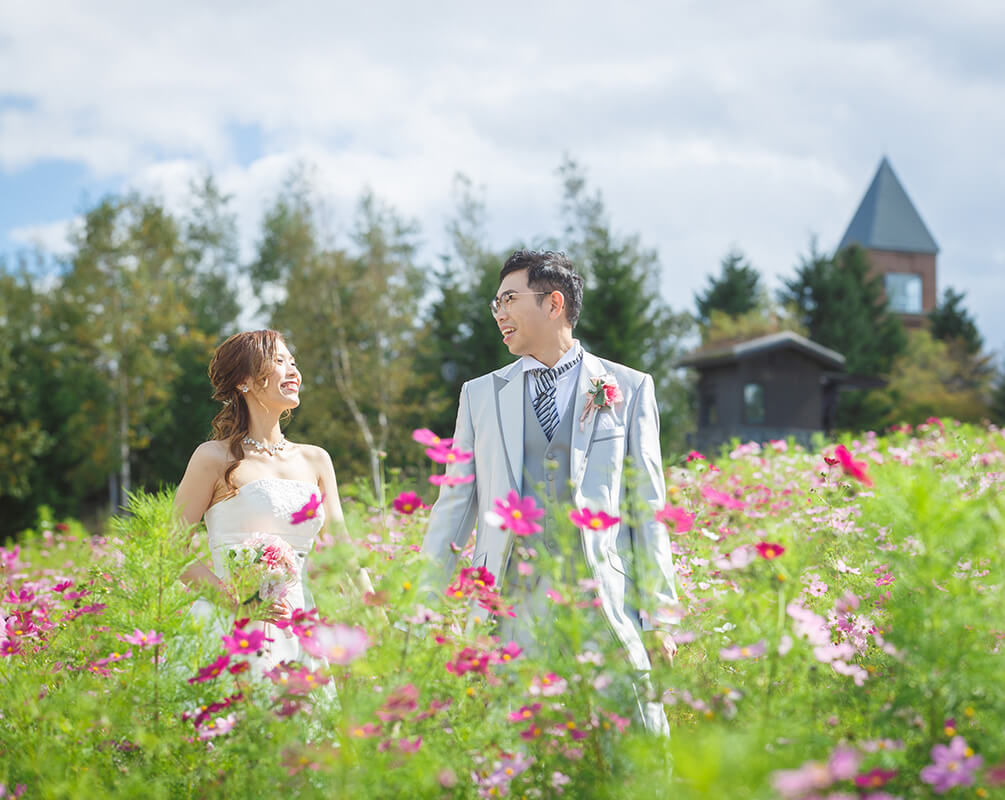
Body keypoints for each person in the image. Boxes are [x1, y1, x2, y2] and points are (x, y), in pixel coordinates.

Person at [421, 249, 679, 735]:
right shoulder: (479, 395)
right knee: (518, 750)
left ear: (553, 303)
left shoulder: (629, 387)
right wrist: (420, 608)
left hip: (604, 599)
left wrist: (660, 616)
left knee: (635, 747)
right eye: (495, 302)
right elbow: (453, 507)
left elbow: (649, 511)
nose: (498, 312)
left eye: (509, 298)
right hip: (512, 608)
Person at [174, 329, 372, 679]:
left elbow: (342, 550)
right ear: (245, 381)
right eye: (279, 361)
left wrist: (375, 613)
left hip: (299, 629)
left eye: (293, 362)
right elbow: (169, 549)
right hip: (233, 629)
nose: (294, 371)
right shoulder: (213, 458)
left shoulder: (317, 459)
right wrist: (239, 603)